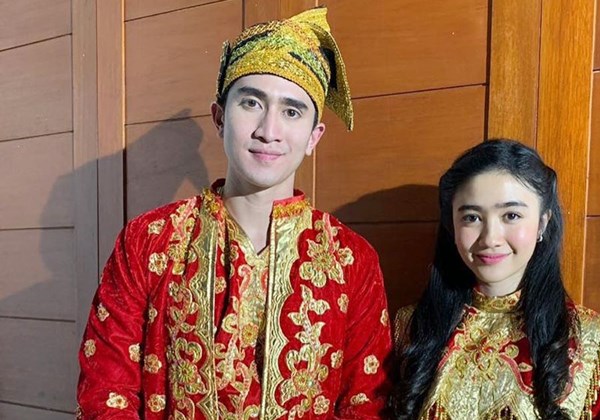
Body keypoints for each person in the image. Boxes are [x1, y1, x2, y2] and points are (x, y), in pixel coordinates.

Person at [77, 7, 393, 419]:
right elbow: (106, 395)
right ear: (220, 117)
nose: (268, 130)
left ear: (314, 137)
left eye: (292, 111)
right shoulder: (149, 241)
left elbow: (366, 404)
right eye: (251, 103)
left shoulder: (351, 261)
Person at [391, 139, 600, 419]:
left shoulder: (590, 338)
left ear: (542, 223)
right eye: (472, 217)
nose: (490, 238)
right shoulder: (412, 328)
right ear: (451, 225)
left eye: (511, 215)